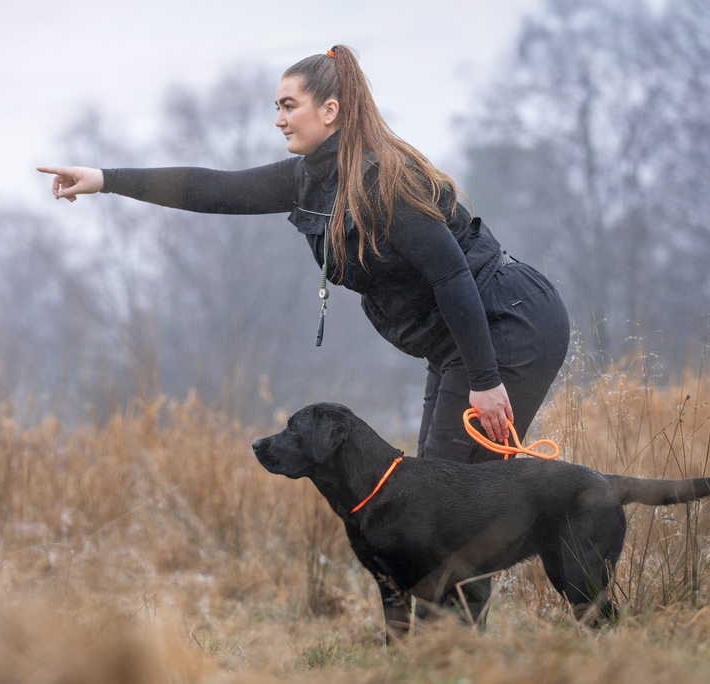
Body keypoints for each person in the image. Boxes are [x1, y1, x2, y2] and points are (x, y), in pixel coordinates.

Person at [38, 45, 568, 470]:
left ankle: (573, 582)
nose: (279, 120)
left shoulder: (384, 181)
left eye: (288, 106)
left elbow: (453, 275)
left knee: (448, 500)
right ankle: (454, 604)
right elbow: (210, 189)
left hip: (508, 322)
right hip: (461, 342)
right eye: (277, 108)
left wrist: (485, 380)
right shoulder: (308, 178)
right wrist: (106, 181)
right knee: (438, 490)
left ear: (330, 110)